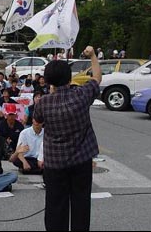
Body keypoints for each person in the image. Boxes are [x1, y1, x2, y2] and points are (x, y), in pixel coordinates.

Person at [34, 45, 102, 231]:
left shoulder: (43, 103)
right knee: (81, 204)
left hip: (55, 163)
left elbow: (37, 124)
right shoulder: (81, 95)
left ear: (48, 81)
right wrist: (93, 55)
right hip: (81, 161)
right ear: (70, 78)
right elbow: (97, 78)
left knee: (55, 205)